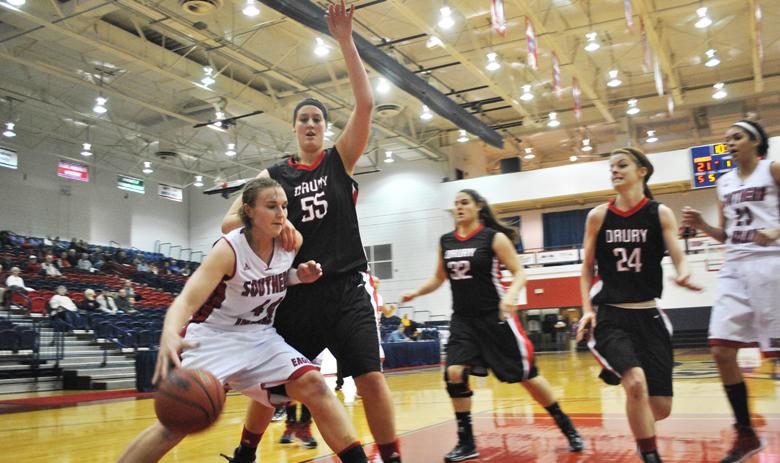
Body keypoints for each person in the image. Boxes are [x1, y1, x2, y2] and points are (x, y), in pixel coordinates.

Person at [220, 3, 400, 463]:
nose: (311, 124)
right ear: (294, 129)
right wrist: (278, 228)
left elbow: (366, 104)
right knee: (275, 386)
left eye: (318, 119)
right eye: (303, 119)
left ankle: (393, 457)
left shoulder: (341, 160)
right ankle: (245, 454)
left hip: (347, 288)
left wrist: (345, 40)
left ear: (325, 129)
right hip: (296, 292)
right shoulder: (274, 176)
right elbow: (227, 222)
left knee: (370, 378)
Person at [118, 178, 368, 463]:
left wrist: (299, 275)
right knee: (176, 423)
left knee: (315, 385)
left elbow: (271, 275)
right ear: (248, 211)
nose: (281, 214)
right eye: (271, 206)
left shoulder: (291, 241)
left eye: (284, 207)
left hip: (261, 337)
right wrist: (169, 332)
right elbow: (186, 300)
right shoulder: (228, 250)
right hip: (214, 338)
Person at [401, 189, 584, 462]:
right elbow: (439, 278)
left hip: (495, 318)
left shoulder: (493, 238)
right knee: (454, 372)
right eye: (456, 204)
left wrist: (510, 296)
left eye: (465, 203)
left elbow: (520, 272)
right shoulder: (446, 241)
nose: (459, 207)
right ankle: (466, 442)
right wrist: (415, 293)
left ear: (478, 207)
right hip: (463, 320)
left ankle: (566, 426)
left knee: (527, 377)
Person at [577, 147, 701, 463]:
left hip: (648, 313)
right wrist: (587, 309)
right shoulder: (598, 216)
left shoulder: (659, 213)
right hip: (611, 315)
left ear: (642, 171)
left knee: (660, 407)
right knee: (636, 384)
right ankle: (650, 455)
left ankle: (639, 423)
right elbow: (587, 268)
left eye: (622, 165)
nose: (615, 170)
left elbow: (677, 254)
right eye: (611, 167)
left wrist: (684, 273)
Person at [681, 120, 779, 463]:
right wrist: (702, 226)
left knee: (777, 355)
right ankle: (746, 432)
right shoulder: (723, 183)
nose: (730, 144)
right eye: (727, 140)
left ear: (755, 141)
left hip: (772, 263)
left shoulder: (773, 169)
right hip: (734, 266)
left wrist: (776, 230)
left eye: (737, 137)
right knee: (721, 350)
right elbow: (726, 234)